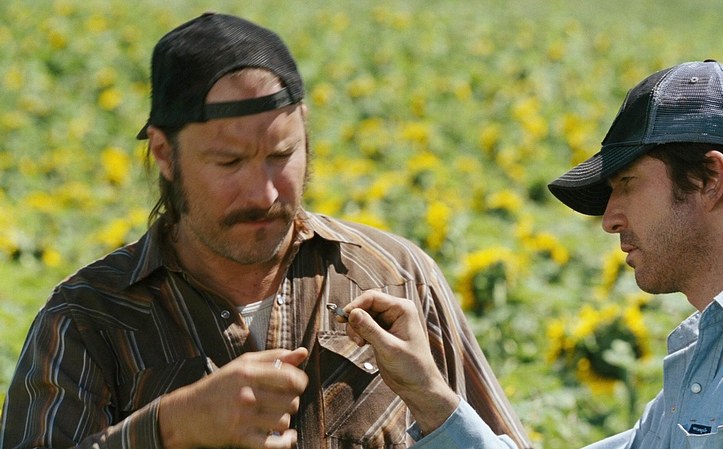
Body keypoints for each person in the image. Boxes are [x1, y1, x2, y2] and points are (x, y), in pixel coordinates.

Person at [0, 13, 532, 449]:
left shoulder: (398, 277)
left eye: (281, 155)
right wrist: (169, 429)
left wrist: (433, 400)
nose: (264, 193)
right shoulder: (89, 319)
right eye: (229, 162)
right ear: (164, 153)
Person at [337, 60, 723, 448]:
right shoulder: (718, 354)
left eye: (628, 184)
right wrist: (427, 393)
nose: (610, 219)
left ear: (710, 179)